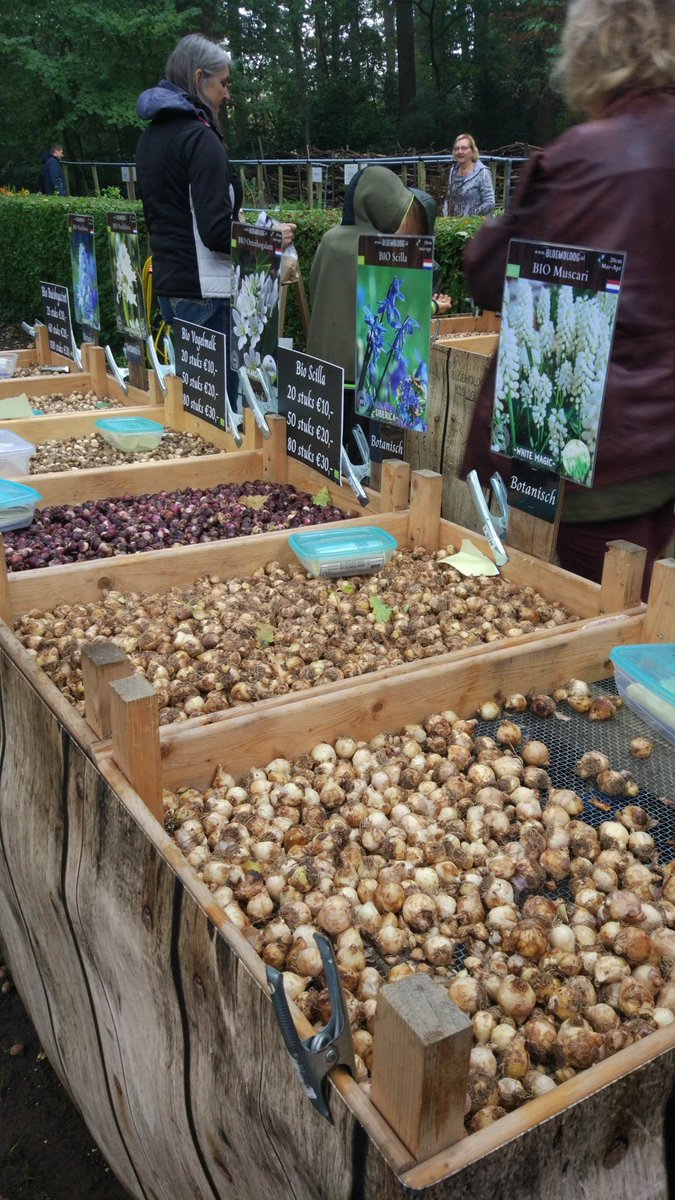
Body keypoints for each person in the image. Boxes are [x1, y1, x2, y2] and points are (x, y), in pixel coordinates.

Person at [461, 0, 675, 597]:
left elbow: (487, 274)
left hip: (594, 458)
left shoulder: (582, 157)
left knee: (581, 631)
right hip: (662, 447)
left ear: (591, 49)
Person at [135, 34, 294, 405]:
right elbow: (216, 232)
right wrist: (270, 236)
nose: (226, 94)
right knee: (218, 417)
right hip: (207, 294)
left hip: (172, 290)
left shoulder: (151, 138)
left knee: (195, 412)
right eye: (223, 83)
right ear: (198, 78)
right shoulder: (199, 138)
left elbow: (165, 216)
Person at [307, 165, 451, 438]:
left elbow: (316, 288)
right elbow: (396, 311)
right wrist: (435, 306)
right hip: (362, 374)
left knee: (328, 445)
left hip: (323, 367)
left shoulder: (329, 239)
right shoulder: (383, 248)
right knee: (361, 449)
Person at [443, 134, 495, 217]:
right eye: (457, 149)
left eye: (464, 148)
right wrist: (446, 217)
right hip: (453, 224)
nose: (460, 151)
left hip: (475, 225)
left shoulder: (483, 172)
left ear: (472, 151)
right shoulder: (453, 171)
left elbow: (490, 202)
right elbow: (448, 198)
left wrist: (469, 217)